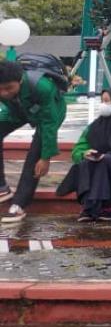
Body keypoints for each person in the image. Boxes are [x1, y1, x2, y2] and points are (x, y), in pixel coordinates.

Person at [0, 59, 68, 224]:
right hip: (21, 109)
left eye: (9, 88)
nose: (4, 93)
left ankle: (18, 205)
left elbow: (49, 124)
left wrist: (45, 157)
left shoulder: (42, 86)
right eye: (0, 89)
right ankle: (2, 187)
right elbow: (8, 104)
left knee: (35, 154)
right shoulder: (6, 91)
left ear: (21, 79)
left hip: (51, 113)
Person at [59, 87, 111, 222]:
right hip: (97, 167)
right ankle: (90, 206)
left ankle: (109, 206)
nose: (103, 105)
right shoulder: (95, 126)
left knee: (107, 160)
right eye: (102, 101)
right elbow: (77, 150)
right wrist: (84, 153)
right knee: (88, 162)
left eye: (107, 101)